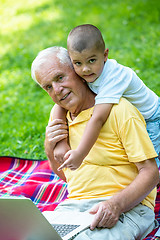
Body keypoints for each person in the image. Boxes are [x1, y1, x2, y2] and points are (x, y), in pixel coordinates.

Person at [31, 46, 159, 240]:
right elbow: (69, 178)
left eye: (60, 78)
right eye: (48, 86)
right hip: (74, 207)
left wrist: (114, 205)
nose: (57, 90)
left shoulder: (118, 110)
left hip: (128, 208)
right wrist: (50, 147)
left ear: (78, 72)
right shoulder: (59, 118)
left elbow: (151, 174)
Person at [54, 24, 160, 171]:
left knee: (149, 162)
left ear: (105, 55)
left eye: (91, 60)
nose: (85, 69)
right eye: (78, 63)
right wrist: (61, 142)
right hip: (131, 119)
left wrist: (80, 153)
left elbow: (98, 119)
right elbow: (59, 104)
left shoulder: (113, 77)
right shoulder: (89, 74)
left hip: (152, 117)